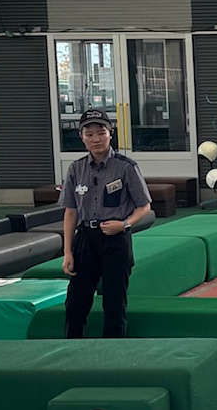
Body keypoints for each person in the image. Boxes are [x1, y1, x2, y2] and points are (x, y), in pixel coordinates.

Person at [60, 108, 153, 339]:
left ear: (110, 134)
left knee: (114, 301)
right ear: (82, 137)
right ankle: (71, 348)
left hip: (116, 239)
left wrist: (124, 224)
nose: (96, 139)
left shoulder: (126, 167)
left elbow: (144, 206)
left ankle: (113, 350)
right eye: (89, 134)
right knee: (76, 302)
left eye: (101, 133)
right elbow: (71, 212)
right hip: (85, 239)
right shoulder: (76, 169)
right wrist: (68, 252)